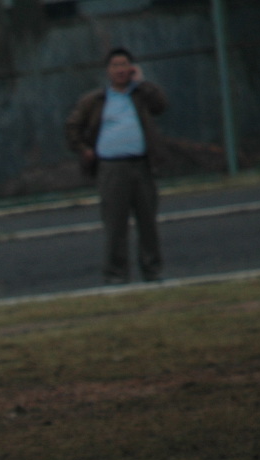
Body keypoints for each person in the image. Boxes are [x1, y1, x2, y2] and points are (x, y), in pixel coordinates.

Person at [64, 47, 169, 284]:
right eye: (115, 65)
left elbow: (161, 106)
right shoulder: (96, 101)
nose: (120, 70)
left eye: (124, 65)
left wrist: (142, 83)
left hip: (141, 165)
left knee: (148, 221)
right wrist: (83, 149)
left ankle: (152, 270)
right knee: (115, 223)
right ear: (108, 70)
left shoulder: (141, 96)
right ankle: (116, 274)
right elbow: (72, 126)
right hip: (112, 168)